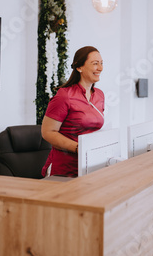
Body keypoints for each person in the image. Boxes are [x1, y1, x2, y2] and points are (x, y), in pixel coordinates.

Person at [41, 46, 105, 177]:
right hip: (65, 168)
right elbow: (47, 132)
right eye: (95, 64)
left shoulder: (99, 95)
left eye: (101, 63)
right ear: (79, 67)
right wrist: (79, 148)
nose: (100, 68)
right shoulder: (64, 96)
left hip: (91, 166)